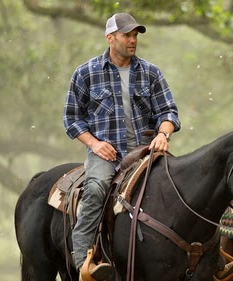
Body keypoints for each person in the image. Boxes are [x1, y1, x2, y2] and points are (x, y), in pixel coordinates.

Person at [63, 13, 181, 281]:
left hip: (145, 152)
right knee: (95, 189)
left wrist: (164, 133)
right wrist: (95, 144)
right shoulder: (86, 73)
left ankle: (210, 256)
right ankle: (84, 261)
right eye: (127, 35)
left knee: (182, 185)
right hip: (106, 153)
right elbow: (71, 119)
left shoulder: (151, 72)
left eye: (135, 35)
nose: (132, 40)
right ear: (110, 38)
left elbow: (169, 112)